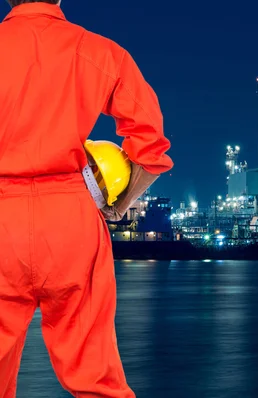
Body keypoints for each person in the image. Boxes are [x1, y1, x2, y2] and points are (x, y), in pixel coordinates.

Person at [0, 0, 174, 396]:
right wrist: (119, 204)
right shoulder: (99, 51)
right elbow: (150, 147)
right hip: (72, 221)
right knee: (97, 379)